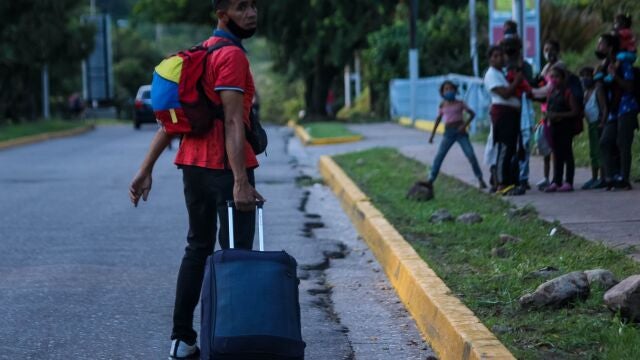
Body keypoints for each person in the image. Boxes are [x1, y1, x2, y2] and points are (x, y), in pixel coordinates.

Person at [129, 0, 264, 358]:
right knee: (237, 254)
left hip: (192, 168)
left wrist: (145, 169)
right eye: (241, 7)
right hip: (223, 169)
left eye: (254, 6)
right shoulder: (231, 57)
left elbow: (175, 122)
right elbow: (234, 122)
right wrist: (240, 182)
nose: (251, 13)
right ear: (222, 13)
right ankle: (231, 338)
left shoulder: (201, 53)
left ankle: (183, 339)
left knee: (197, 248)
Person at [596, 33, 639, 190]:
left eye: (601, 44)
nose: (598, 47)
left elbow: (629, 86)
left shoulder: (624, 65)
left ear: (610, 47)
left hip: (627, 107)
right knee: (605, 142)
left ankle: (624, 178)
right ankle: (611, 176)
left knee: (623, 142)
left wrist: (615, 76)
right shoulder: (606, 64)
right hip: (614, 109)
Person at [426, 80, 486, 189]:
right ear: (442, 92)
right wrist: (432, 135)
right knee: (439, 156)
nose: (449, 91)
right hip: (448, 133)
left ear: (455, 90)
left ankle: (480, 178)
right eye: (446, 89)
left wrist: (464, 125)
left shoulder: (460, 103)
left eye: (451, 89)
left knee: (471, 155)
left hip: (461, 133)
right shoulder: (442, 105)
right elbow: (438, 120)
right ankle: (430, 180)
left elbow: (472, 114)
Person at [484, 45, 522, 195]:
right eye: (495, 56)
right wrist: (517, 81)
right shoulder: (491, 74)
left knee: (511, 148)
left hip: (510, 114)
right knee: (504, 148)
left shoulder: (502, 73)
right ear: (490, 59)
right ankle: (501, 183)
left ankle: (507, 181)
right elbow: (505, 94)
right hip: (502, 114)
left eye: (501, 55)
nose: (499, 58)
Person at [532, 39, 564, 190]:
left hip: (556, 111)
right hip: (546, 110)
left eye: (552, 49)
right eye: (546, 50)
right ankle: (546, 177)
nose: (549, 53)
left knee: (555, 147)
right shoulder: (546, 67)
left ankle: (556, 178)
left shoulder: (559, 67)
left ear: (558, 51)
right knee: (545, 145)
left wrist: (532, 92)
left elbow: (548, 88)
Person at [544, 65, 580, 192]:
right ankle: (556, 181)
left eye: (557, 77)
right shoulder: (551, 93)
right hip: (554, 127)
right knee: (557, 155)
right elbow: (548, 108)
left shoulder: (568, 92)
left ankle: (569, 181)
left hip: (565, 127)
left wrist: (558, 115)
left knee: (567, 154)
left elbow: (574, 111)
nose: (554, 79)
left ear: (563, 78)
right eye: (552, 76)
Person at [579, 66, 608, 190]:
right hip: (591, 124)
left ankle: (602, 178)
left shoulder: (598, 90)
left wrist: (603, 122)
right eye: (583, 76)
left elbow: (604, 108)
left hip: (598, 123)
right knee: (593, 152)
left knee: (599, 151)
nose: (585, 78)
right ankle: (594, 177)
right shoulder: (586, 93)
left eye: (588, 75)